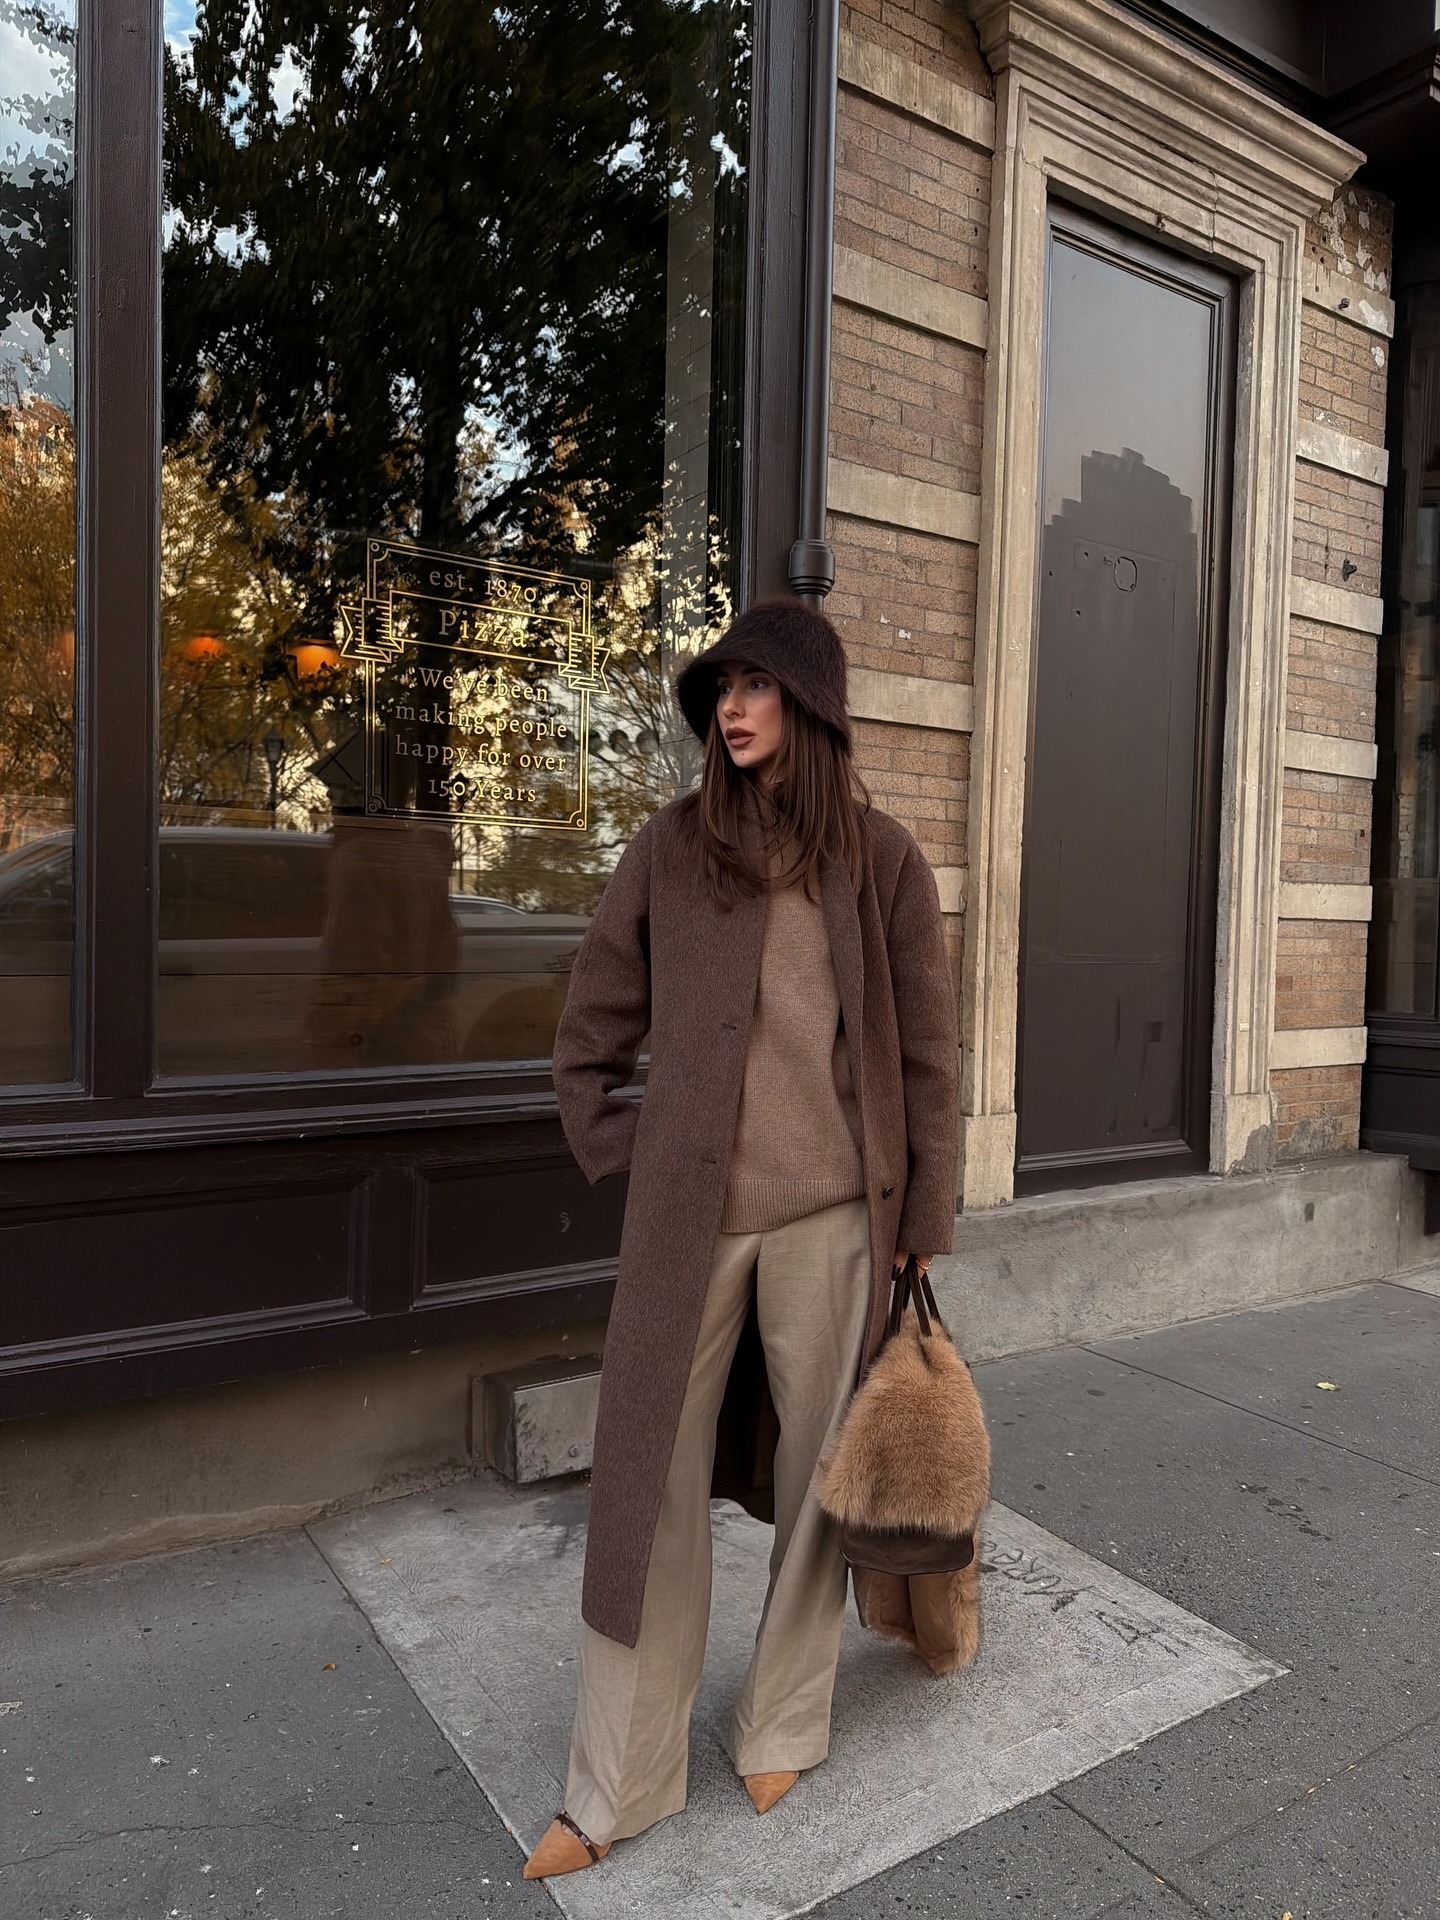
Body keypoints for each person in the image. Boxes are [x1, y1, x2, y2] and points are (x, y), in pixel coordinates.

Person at [524, 598, 960, 1878]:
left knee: (822, 1479)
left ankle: (784, 1717)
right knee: (641, 1488)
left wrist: (922, 1221)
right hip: (691, 1223)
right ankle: (619, 1782)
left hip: (838, 1221)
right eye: (721, 688)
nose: (731, 708)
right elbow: (586, 1038)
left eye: (757, 687)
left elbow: (928, 1062)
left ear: (811, 710)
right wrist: (631, 1153)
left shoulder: (881, 863)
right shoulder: (670, 851)